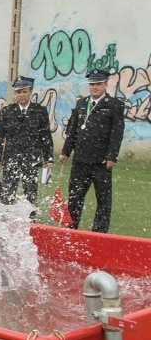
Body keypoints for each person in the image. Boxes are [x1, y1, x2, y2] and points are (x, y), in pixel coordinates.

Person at [60, 69, 125, 233]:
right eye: (92, 84)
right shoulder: (82, 104)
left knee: (103, 200)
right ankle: (70, 230)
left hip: (101, 161)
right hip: (80, 160)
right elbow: (73, 130)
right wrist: (66, 152)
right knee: (75, 197)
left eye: (98, 84)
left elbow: (117, 133)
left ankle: (100, 232)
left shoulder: (114, 105)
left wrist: (112, 155)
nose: (94, 87)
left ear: (105, 84)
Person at [0, 76, 54, 212]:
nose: (21, 95)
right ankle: (6, 218)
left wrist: (49, 158)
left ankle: (31, 221)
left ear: (30, 92)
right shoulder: (7, 111)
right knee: (7, 193)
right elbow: (0, 137)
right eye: (19, 92)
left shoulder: (40, 111)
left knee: (31, 193)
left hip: (31, 159)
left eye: (24, 92)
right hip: (11, 159)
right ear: (15, 93)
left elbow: (45, 136)